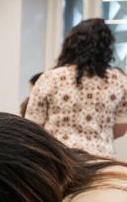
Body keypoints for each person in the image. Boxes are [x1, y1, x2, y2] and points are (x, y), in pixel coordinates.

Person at [26, 18, 127, 157]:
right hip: (101, 160)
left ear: (70, 44)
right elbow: (120, 129)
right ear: (107, 48)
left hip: (59, 158)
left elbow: (33, 125)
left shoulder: (50, 78)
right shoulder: (119, 81)